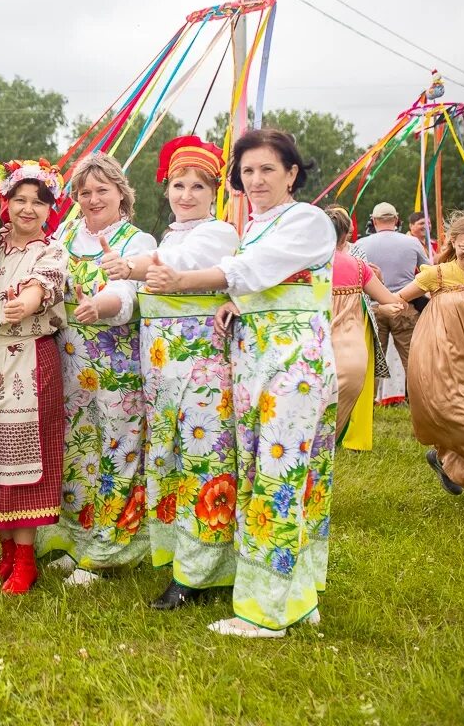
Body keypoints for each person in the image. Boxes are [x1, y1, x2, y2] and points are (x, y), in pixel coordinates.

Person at [145, 128, 337, 637]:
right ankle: (297, 595)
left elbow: (252, 269)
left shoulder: (307, 219)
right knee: (273, 476)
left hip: (292, 367)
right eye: (248, 171)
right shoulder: (255, 226)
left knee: (280, 480)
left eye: (268, 169)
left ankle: (266, 614)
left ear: (292, 173)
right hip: (258, 366)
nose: (256, 180)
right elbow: (271, 282)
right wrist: (237, 303)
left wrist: (186, 281)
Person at [102, 136, 240, 609]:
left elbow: (176, 266)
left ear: (213, 191)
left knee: (205, 461)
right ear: (166, 189)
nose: (186, 194)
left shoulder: (218, 233)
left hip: (200, 366)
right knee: (173, 461)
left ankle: (202, 573)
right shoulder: (172, 234)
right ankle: (183, 559)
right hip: (163, 369)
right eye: (178, 185)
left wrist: (129, 265)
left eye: (197, 187)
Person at [35, 152, 157, 588]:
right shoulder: (65, 233)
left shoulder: (136, 241)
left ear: (121, 193)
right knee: (76, 450)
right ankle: (76, 537)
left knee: (117, 449)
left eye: (101, 190)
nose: (91, 199)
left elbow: (131, 294)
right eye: (84, 192)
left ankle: (111, 546)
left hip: (115, 366)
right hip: (68, 361)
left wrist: (99, 305)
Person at [0, 160, 69, 595]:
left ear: (51, 209)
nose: (28, 209)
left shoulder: (51, 252)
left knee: (26, 461)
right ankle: (6, 553)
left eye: (38, 201)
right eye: (20, 199)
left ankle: (27, 560)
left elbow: (44, 285)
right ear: (5, 202)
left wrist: (25, 303)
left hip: (30, 361)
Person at [398, 212, 464, 524]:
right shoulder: (437, 275)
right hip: (445, 364)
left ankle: (447, 460)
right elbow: (398, 299)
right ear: (453, 242)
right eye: (463, 246)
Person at [325, 206, 404, 446]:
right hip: (352, 350)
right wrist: (386, 307)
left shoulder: (306, 266)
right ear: (346, 234)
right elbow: (391, 300)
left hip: (314, 345)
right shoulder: (359, 266)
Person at [355, 201, 427, 377]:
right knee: (413, 359)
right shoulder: (413, 242)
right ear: (396, 220)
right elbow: (428, 272)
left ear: (374, 220)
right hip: (405, 305)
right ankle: (419, 400)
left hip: (374, 307)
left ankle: (369, 402)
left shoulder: (360, 244)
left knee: (371, 360)